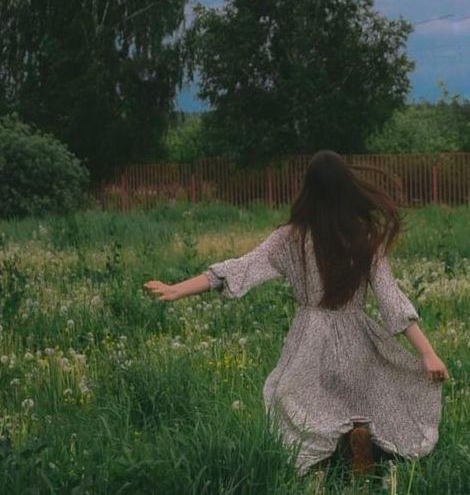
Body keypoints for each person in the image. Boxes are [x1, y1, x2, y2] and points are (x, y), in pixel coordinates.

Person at [143, 150, 449, 479]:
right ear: (347, 187)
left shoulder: (290, 238)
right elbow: (392, 299)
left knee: (285, 396)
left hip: (310, 335)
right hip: (356, 334)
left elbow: (237, 269)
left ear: (309, 190)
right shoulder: (364, 238)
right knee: (359, 393)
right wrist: (428, 354)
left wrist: (177, 289)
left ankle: (315, 463)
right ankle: (358, 438)